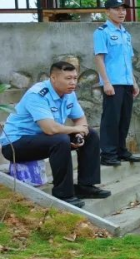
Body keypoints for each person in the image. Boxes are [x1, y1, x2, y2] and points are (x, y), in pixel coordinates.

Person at [0, 62, 110, 208]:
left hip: (44, 140)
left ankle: (86, 186)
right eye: (68, 78)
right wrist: (75, 130)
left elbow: (80, 119)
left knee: (91, 135)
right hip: (15, 145)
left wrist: (80, 134)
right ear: (53, 78)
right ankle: (63, 194)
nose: (72, 82)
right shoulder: (38, 94)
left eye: (75, 78)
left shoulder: (68, 94)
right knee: (60, 140)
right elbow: (50, 129)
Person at [93, 0, 140, 167]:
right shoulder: (102, 32)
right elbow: (99, 58)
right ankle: (107, 154)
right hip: (113, 82)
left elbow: (128, 60)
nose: (121, 12)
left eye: (123, 9)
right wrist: (106, 82)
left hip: (126, 82)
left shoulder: (125, 34)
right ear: (107, 12)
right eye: (117, 9)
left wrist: (134, 82)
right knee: (111, 119)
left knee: (124, 118)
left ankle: (121, 150)